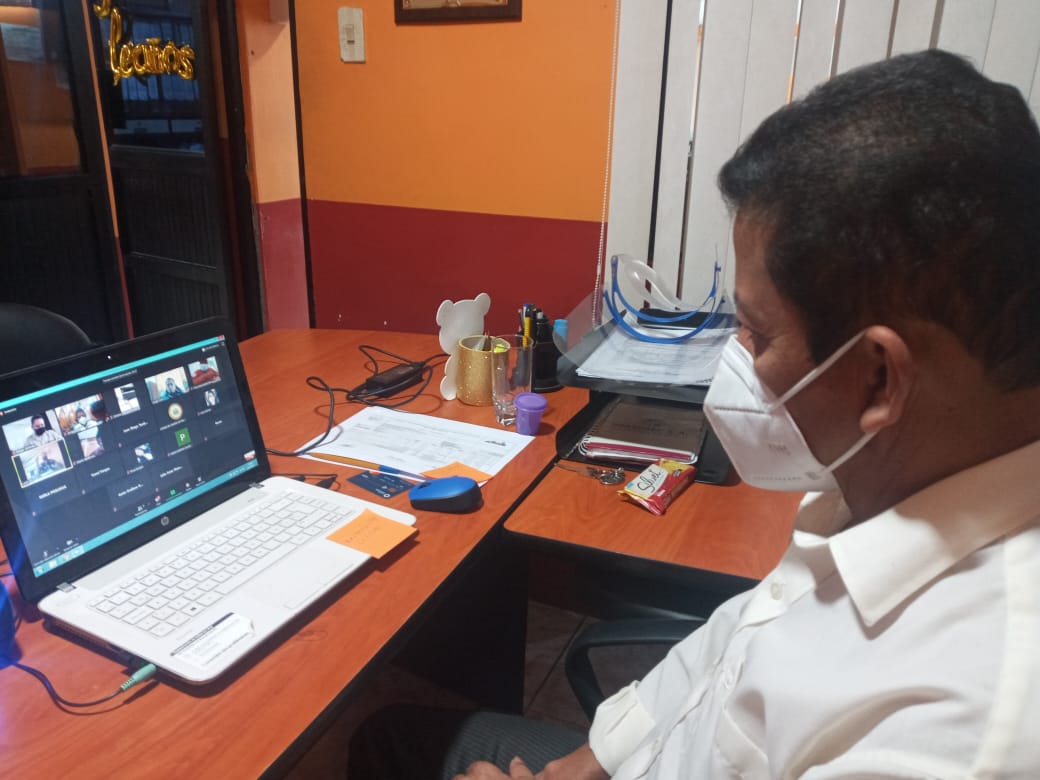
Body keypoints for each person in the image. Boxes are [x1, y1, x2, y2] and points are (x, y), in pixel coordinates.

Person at [348, 49, 1040, 779]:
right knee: (397, 734)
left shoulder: (962, 734)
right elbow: (737, 635)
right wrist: (593, 756)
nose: (735, 355)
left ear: (877, 379)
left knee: (392, 745)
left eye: (756, 332)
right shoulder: (892, 484)